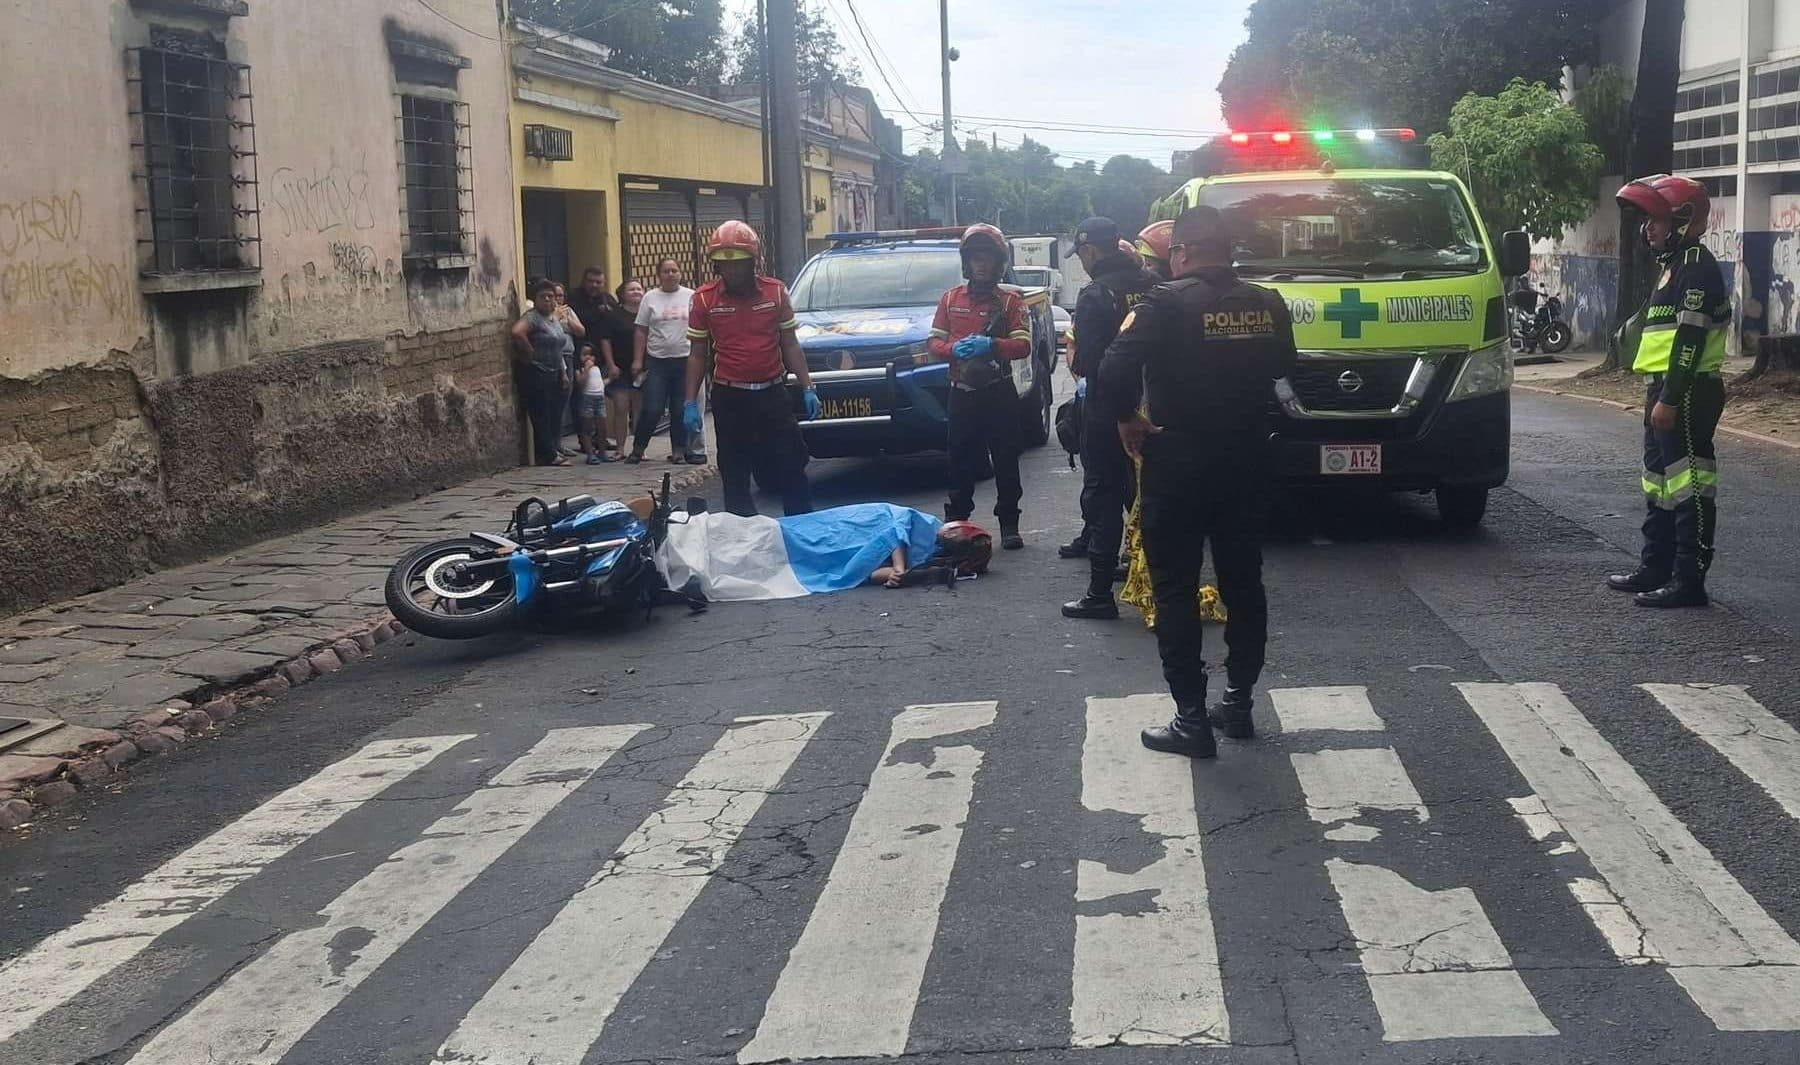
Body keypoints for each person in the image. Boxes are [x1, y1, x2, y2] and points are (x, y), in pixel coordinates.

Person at [1098, 205, 1297, 759]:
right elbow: (1285, 365)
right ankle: (1238, 703)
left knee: (1175, 587)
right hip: (1246, 458)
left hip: (1179, 459)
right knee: (1244, 580)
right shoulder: (1267, 303)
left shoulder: (1161, 303)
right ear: (1228, 251)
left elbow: (1112, 371)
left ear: (1181, 253)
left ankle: (1191, 719)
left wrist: (1127, 417)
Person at [1606, 174, 1730, 609]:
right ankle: (1655, 568)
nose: (1648, 228)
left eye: (1655, 220)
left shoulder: (1696, 267)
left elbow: (1689, 339)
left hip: (1687, 390)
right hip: (1662, 388)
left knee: (1689, 485)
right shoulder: (1674, 265)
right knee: (1659, 483)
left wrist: (1671, 397)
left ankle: (1688, 581)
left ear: (1682, 220)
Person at [1061, 217, 1162, 619]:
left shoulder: (1095, 294)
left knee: (1102, 495)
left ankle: (1099, 594)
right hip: (1156, 408)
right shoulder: (1155, 285)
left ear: (1089, 250)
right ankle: (1154, 577)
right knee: (1148, 494)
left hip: (1109, 412)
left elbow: (1088, 362)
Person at [684, 220, 819, 517]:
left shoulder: (776, 293)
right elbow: (697, 354)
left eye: (738, 263)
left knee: (791, 462)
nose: (731, 271)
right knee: (734, 469)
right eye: (724, 265)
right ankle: (742, 532)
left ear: (752, 262)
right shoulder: (703, 299)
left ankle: (801, 526)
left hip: (773, 392)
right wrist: (690, 401)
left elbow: (790, 344)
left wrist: (808, 386)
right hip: (730, 396)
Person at [927, 223, 1034, 550]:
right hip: (962, 393)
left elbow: (1023, 346)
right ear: (967, 262)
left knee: (1006, 459)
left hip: (998, 392)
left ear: (999, 262)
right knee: (959, 460)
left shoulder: (1011, 302)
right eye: (976, 258)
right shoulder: (950, 299)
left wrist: (992, 345)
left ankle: (1009, 524)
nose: (982, 264)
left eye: (988, 257)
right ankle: (958, 522)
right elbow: (933, 344)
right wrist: (953, 350)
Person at [630, 259, 703, 465]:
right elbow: (641, 330)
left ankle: (678, 451)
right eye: (665, 271)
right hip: (658, 361)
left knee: (680, 409)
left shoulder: (691, 296)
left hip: (685, 360)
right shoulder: (650, 298)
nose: (670, 274)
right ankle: (638, 448)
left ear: (680, 273)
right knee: (653, 408)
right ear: (659, 275)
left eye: (674, 271)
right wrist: (638, 359)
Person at [511, 279, 573, 467]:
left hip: (554, 371)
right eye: (542, 296)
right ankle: (548, 454)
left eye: (550, 296)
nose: (547, 300)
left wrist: (563, 372)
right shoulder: (533, 318)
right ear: (535, 299)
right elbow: (517, 332)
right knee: (541, 414)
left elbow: (558, 347)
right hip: (536, 371)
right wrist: (529, 350)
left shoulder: (553, 318)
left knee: (554, 412)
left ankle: (552, 449)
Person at [606, 279, 647, 459]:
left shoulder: (647, 314)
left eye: (639, 289)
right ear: (622, 294)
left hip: (644, 368)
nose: (636, 292)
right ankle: (620, 449)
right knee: (621, 408)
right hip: (620, 367)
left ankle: (639, 449)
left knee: (640, 410)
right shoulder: (613, 316)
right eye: (631, 289)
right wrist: (610, 364)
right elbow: (605, 340)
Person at [552, 282, 587, 455]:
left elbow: (581, 331)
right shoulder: (544, 314)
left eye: (560, 295)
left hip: (569, 357)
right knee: (556, 401)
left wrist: (569, 319)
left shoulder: (568, 311)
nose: (558, 299)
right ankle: (554, 444)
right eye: (554, 295)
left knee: (566, 399)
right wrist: (556, 317)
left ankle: (560, 443)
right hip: (555, 359)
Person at [575, 349, 611, 463]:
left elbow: (600, 383)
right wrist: (586, 369)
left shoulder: (597, 369)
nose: (588, 357)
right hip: (587, 399)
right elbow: (581, 383)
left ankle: (602, 452)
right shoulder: (580, 370)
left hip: (600, 398)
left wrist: (611, 379)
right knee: (587, 427)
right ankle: (590, 454)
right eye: (585, 354)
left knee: (602, 427)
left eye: (591, 355)